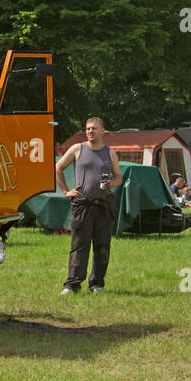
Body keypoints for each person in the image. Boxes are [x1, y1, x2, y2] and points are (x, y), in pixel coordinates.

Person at [54, 117, 123, 295]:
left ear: (103, 131)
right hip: (82, 205)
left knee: (102, 246)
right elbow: (58, 167)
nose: (90, 131)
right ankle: (72, 285)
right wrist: (65, 191)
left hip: (103, 205)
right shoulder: (78, 148)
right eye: (88, 129)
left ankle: (97, 284)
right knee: (79, 245)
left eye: (94, 128)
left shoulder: (110, 153)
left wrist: (112, 185)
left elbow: (118, 177)